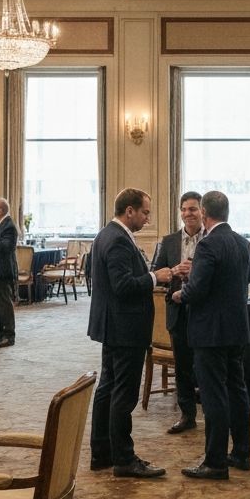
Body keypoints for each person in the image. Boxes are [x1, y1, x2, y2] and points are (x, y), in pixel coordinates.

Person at [88, 189, 173, 479]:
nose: (148, 218)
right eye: (145, 212)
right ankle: (123, 459)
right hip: (125, 328)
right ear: (129, 211)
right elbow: (122, 286)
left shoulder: (107, 235)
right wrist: (154, 277)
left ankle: (102, 453)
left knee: (107, 389)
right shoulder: (118, 240)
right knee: (123, 395)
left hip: (115, 325)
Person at [172, 190, 250, 480]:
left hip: (209, 332)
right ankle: (242, 453)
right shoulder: (244, 243)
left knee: (213, 395)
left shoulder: (207, 245)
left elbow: (199, 290)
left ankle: (215, 461)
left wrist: (181, 293)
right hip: (237, 328)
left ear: (205, 214)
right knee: (237, 390)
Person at [151, 191, 204, 434]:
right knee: (182, 366)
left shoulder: (211, 238)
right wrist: (174, 271)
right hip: (178, 310)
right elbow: (156, 273)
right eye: (183, 209)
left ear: (202, 211)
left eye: (192, 209)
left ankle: (211, 412)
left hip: (204, 311)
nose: (187, 214)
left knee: (205, 365)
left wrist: (197, 271)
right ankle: (187, 415)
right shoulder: (169, 241)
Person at [0, 197, 18, 348]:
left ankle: (8, 335)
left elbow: (6, 247)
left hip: (4, 271)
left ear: (1, 210)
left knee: (4, 305)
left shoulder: (9, 226)